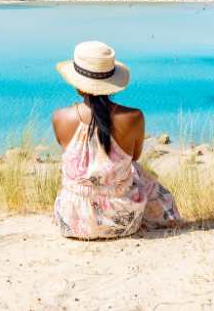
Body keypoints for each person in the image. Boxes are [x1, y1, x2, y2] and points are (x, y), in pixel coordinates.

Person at [52, 41, 181, 239]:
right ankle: (166, 216)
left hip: (72, 221)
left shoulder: (60, 117)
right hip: (123, 221)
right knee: (137, 171)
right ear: (112, 84)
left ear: (77, 86)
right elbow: (134, 157)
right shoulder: (133, 117)